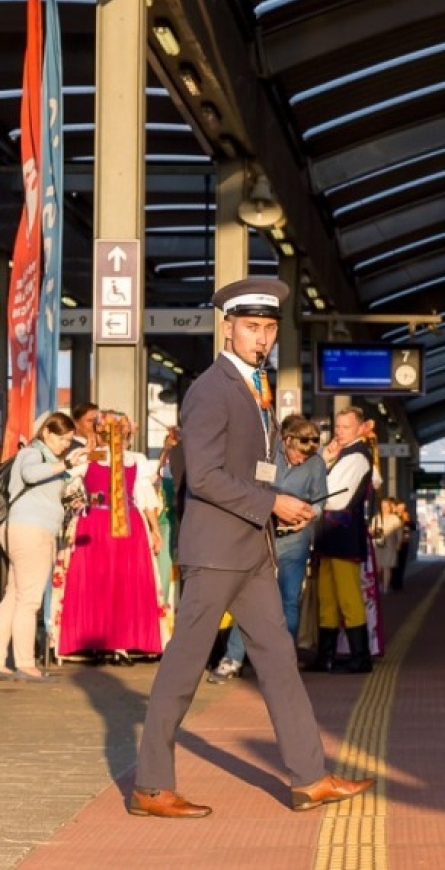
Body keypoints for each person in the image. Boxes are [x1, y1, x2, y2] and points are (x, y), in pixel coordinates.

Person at [131, 277, 371, 819]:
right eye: (251, 327)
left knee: (280, 663)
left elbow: (246, 470)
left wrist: (274, 507)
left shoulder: (255, 388)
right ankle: (150, 786)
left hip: (251, 551)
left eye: (267, 329)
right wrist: (274, 504)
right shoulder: (211, 389)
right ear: (228, 327)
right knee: (184, 668)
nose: (261, 338)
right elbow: (206, 478)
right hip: (216, 551)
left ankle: (309, 778)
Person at [209, 415, 327, 684]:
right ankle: (233, 658)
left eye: (307, 457)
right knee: (250, 598)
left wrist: (311, 514)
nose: (301, 461)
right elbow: (250, 488)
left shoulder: (316, 463)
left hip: (294, 540)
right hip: (261, 535)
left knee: (288, 600)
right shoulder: (267, 454)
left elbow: (320, 499)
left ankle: (284, 661)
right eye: (298, 454)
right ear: (287, 441)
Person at [54, 410, 168, 662]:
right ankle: (106, 640)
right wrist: (154, 529)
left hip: (109, 521)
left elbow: (144, 496)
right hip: (104, 522)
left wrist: (154, 529)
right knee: (108, 580)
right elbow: (66, 482)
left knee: (113, 580)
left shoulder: (130, 459)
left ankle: (114, 641)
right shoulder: (92, 456)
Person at [1, 412, 77, 681]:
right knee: (29, 598)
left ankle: (1, 660)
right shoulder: (33, 453)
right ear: (45, 432)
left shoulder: (47, 458)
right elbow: (30, 474)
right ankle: (25, 663)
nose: (65, 444)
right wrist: (65, 464)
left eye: (69, 440)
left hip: (24, 529)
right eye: (61, 438)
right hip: (33, 531)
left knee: (14, 594)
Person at [313, 407, 377, 673]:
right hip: (332, 533)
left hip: (343, 532)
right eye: (337, 427)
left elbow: (335, 496)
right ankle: (326, 656)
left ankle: (360, 657)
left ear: (360, 428)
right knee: (327, 596)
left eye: (345, 427)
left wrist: (319, 477)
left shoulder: (358, 455)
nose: (339, 433)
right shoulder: (343, 453)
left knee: (348, 597)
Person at [371, 497, 405, 594]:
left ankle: (385, 587)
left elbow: (399, 533)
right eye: (382, 506)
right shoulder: (376, 518)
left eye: (386, 506)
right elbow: (372, 531)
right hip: (377, 546)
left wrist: (398, 543)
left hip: (390, 546)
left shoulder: (395, 519)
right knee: (377, 568)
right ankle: (377, 586)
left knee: (387, 567)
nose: (384, 508)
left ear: (390, 507)